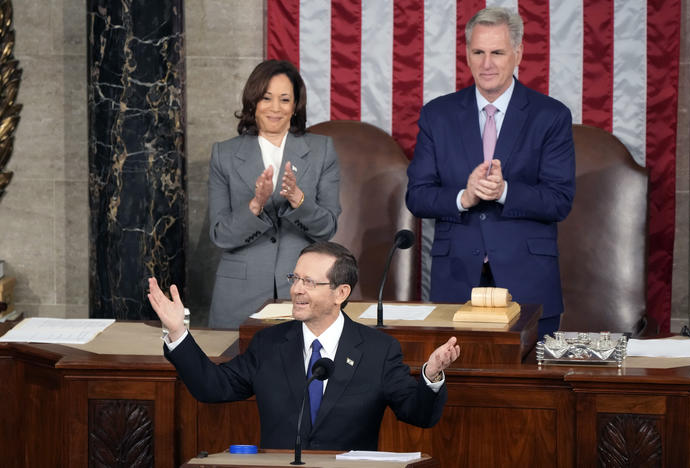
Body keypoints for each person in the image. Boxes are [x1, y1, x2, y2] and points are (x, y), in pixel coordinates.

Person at [148, 241, 460, 451]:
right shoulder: (269, 343)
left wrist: (431, 376)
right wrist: (178, 332)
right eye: (295, 278)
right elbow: (213, 387)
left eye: (309, 282)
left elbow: (418, 414)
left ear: (341, 293)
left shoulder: (378, 350)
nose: (296, 289)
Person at [405, 7, 575, 339]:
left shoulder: (550, 116)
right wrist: (463, 197)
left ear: (518, 54)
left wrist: (505, 192)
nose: (487, 64)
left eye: (497, 53)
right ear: (467, 54)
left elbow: (559, 200)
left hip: (527, 282)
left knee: (530, 389)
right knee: (458, 388)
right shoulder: (437, 115)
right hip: (456, 282)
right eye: (478, 52)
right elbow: (418, 195)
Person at [207, 60, 341, 329]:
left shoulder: (321, 150)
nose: (275, 108)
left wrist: (298, 200)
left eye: (284, 99)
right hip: (238, 296)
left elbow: (327, 228)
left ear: (295, 106)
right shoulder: (224, 154)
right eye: (266, 98)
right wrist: (256, 204)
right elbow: (221, 234)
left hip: (304, 291)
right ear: (253, 103)